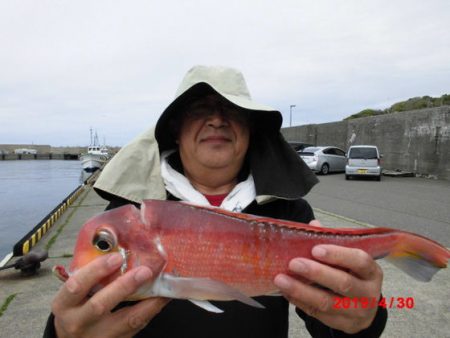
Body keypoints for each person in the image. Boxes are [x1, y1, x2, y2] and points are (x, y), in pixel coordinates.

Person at [44, 65, 387, 337]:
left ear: (251, 130)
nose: (217, 119)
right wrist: (61, 332)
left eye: (232, 110)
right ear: (175, 130)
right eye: (199, 109)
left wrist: (362, 318)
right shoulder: (124, 221)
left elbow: (327, 320)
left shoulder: (290, 212)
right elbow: (82, 315)